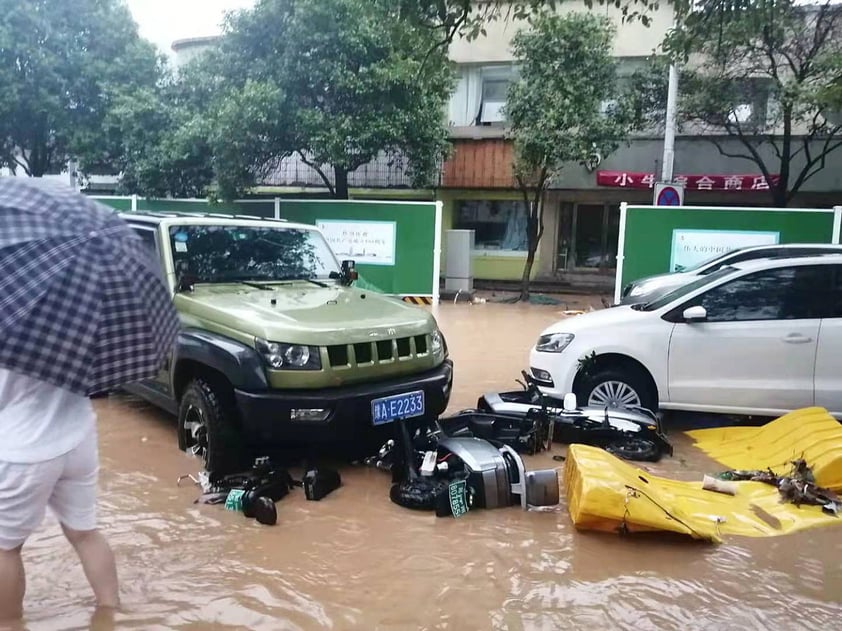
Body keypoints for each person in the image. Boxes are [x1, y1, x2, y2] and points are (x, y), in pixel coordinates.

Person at [0, 366, 120, 622]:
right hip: (79, 437)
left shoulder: (7, 330)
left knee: (4, 547)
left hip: (24, 450)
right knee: (85, 533)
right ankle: (110, 614)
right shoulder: (71, 327)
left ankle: (8, 624)